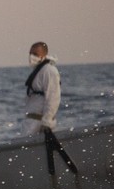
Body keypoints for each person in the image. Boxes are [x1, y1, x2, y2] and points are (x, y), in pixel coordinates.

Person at [25, 41, 78, 176]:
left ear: (44, 55)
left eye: (35, 54)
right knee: (28, 152)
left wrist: (47, 121)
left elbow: (53, 97)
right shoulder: (39, 70)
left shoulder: (49, 71)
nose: (32, 56)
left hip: (39, 122)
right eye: (30, 53)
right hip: (32, 121)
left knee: (29, 151)